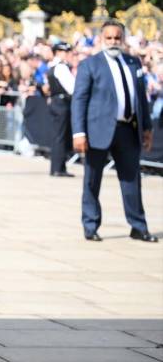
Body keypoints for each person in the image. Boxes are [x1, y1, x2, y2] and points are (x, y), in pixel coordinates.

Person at [72, 20, 157, 243]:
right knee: (92, 179)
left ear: (123, 39)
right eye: (108, 38)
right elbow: (79, 100)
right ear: (101, 39)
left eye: (117, 38)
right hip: (97, 131)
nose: (113, 42)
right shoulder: (90, 64)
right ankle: (90, 225)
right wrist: (78, 132)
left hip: (128, 129)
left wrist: (147, 127)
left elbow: (141, 98)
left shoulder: (133, 62)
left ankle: (138, 226)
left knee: (131, 179)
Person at [45, 43, 76, 177]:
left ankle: (57, 167)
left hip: (57, 102)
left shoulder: (53, 66)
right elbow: (72, 88)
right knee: (61, 136)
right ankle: (58, 168)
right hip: (62, 103)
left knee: (59, 135)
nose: (67, 54)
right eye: (65, 51)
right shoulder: (61, 67)